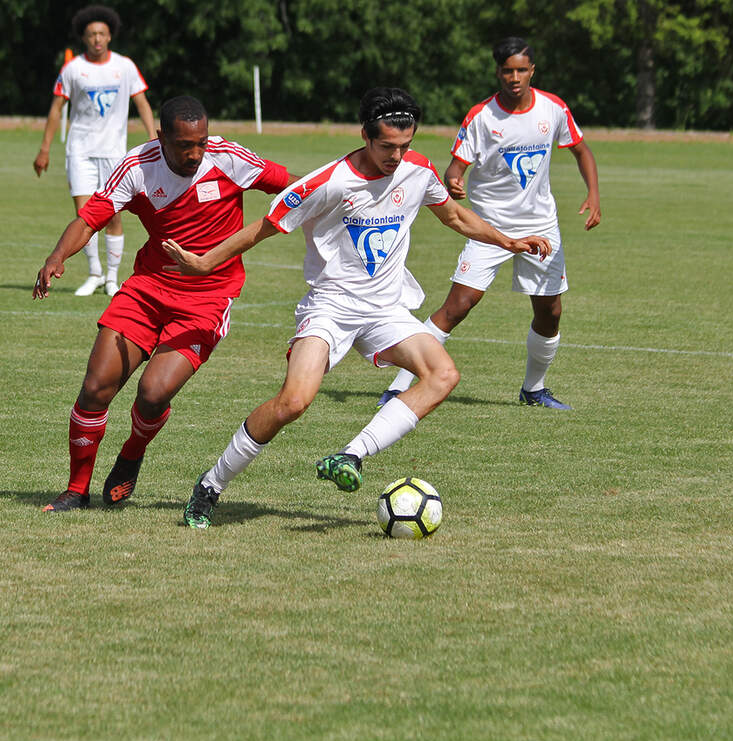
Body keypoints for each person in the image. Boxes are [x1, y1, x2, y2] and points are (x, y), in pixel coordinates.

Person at [164, 88, 551, 530]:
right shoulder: (328, 182)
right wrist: (204, 262)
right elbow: (263, 229)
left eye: (405, 145)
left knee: (443, 375)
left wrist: (509, 241)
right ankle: (211, 486)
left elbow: (457, 218)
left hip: (386, 308)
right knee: (293, 402)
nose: (396, 156)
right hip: (330, 306)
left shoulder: (419, 171)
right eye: (387, 146)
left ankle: (352, 454)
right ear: (365, 136)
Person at [33, 95, 293, 512]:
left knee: (153, 393)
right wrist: (57, 256)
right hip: (148, 288)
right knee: (96, 388)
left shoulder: (226, 158)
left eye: (201, 143)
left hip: (207, 299)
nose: (195, 153)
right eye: (183, 145)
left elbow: (297, 186)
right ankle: (75, 490)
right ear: (161, 137)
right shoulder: (138, 166)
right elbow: (90, 218)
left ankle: (132, 453)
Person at [379, 36, 601, 410]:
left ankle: (534, 389)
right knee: (458, 306)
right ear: (498, 72)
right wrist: (454, 180)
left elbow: (581, 149)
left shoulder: (553, 109)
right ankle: (399, 385)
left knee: (550, 312)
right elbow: (456, 165)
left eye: (521, 70)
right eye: (507, 71)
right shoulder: (481, 117)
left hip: (541, 227)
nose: (514, 77)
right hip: (490, 227)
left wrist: (593, 194)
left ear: (532, 71)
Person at [33, 4, 156, 297]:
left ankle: (112, 279)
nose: (97, 39)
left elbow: (142, 103)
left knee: (113, 214)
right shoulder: (73, 68)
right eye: (91, 35)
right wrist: (45, 149)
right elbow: (55, 110)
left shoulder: (124, 66)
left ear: (110, 36)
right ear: (84, 38)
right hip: (80, 151)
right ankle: (94, 273)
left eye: (102, 33)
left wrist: (153, 138)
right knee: (85, 215)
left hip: (114, 153)